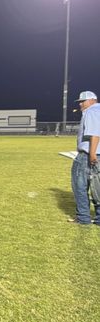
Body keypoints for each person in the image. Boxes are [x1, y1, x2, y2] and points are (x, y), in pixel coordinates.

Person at [70, 91, 100, 225]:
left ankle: (83, 218)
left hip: (88, 155)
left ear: (93, 100)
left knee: (80, 185)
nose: (81, 104)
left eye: (83, 101)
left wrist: (92, 154)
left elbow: (94, 133)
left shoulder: (91, 111)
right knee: (97, 187)